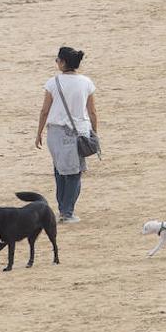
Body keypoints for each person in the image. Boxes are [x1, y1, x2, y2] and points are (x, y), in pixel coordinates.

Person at [35, 47, 98, 223]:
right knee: (74, 173)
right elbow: (92, 112)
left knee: (59, 171)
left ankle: (63, 209)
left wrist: (39, 132)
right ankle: (67, 212)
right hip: (77, 132)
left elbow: (44, 111)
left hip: (55, 133)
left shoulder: (52, 83)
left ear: (63, 62)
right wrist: (94, 132)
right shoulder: (86, 82)